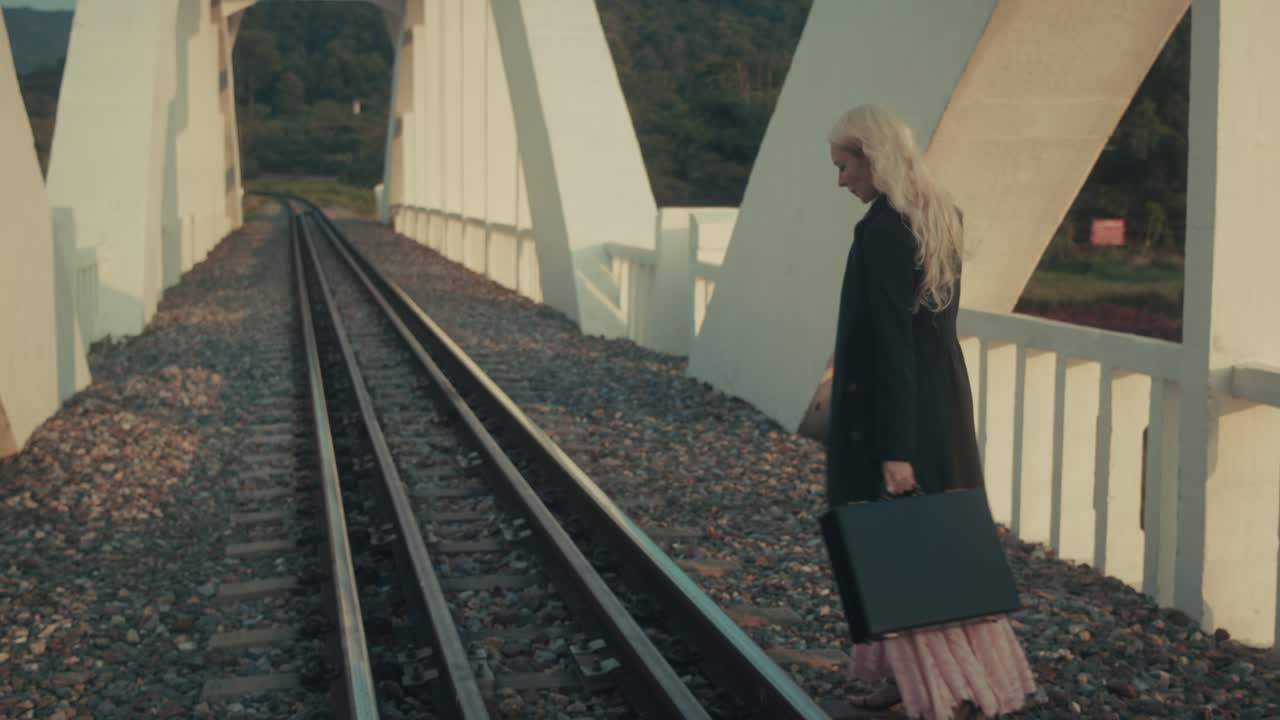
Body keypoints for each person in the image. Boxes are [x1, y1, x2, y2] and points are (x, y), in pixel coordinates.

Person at [823, 104, 1037, 719]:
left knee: (903, 554)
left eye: (843, 166)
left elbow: (893, 344)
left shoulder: (885, 230)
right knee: (932, 551)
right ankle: (924, 678)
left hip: (901, 414)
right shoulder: (937, 214)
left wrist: (896, 449)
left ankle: (949, 691)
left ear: (872, 156)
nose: (841, 181)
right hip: (938, 403)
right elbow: (924, 338)